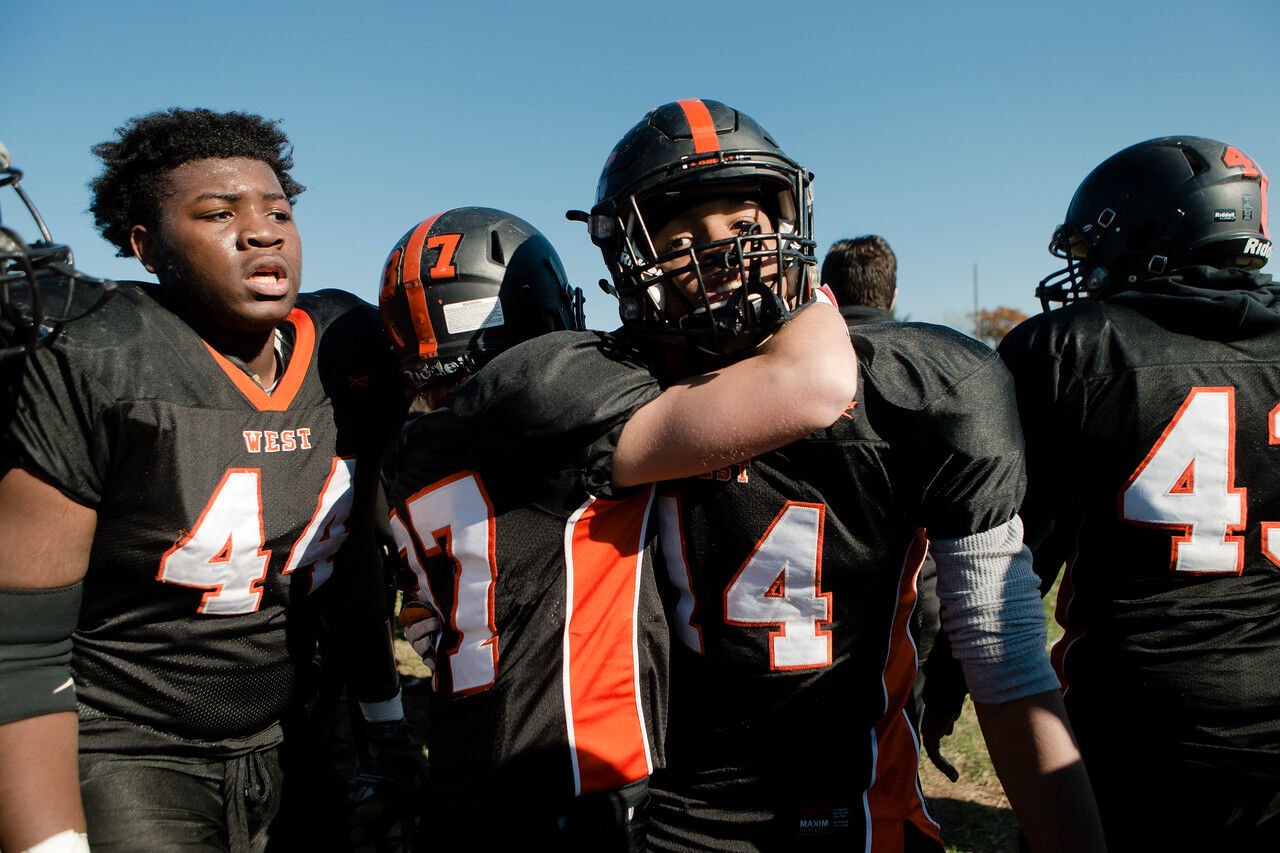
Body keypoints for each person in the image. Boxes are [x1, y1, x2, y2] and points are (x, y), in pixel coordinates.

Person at [578, 98, 1104, 852]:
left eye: (742, 228)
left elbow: (1005, 652)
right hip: (665, 808)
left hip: (855, 801)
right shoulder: (608, 388)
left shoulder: (919, 384)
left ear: (791, 228)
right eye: (682, 237)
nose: (716, 253)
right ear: (633, 256)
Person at [0, 108, 419, 853]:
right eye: (218, 212)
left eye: (277, 210)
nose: (262, 231)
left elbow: (347, 561)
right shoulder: (101, 355)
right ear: (146, 245)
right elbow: (18, 641)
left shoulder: (346, 352)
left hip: (291, 730)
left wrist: (384, 718)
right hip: (125, 746)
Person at [381, 202, 857, 852]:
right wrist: (808, 295)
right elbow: (810, 383)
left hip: (462, 767)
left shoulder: (405, 450)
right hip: (571, 781)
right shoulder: (551, 389)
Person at [998, 135, 1280, 849]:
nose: (1088, 270)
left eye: (1096, 246)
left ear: (1150, 234)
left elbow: (1010, 561)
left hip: (1142, 719)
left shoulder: (1073, 346)